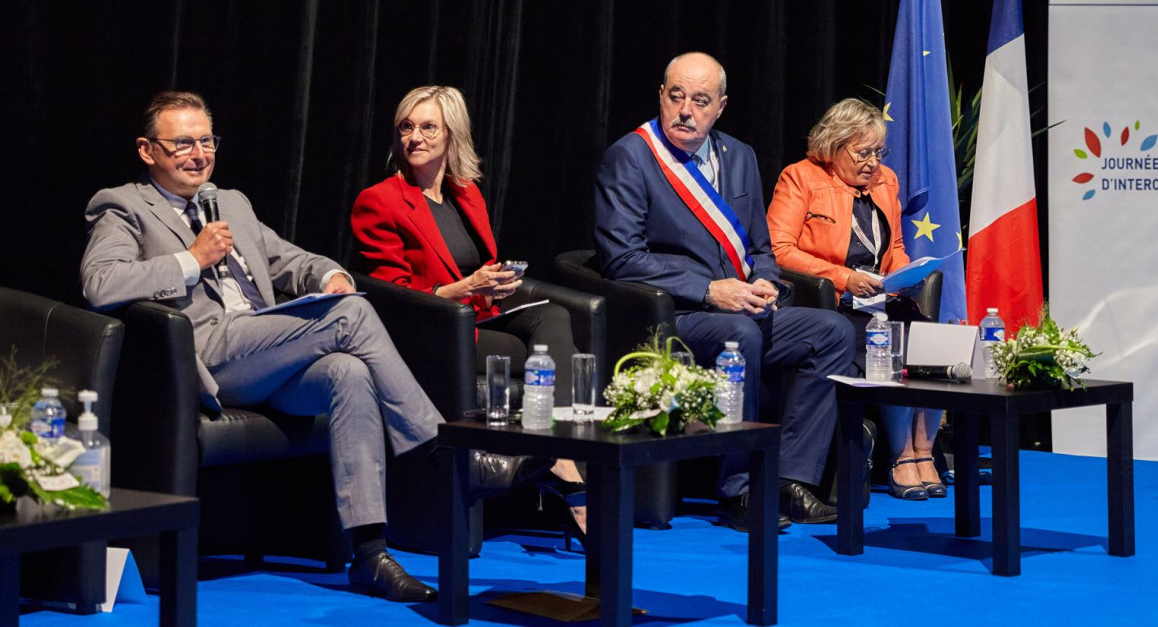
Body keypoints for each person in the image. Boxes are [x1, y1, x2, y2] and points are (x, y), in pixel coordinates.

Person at [81, 91, 539, 604]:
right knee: (353, 314)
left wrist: (332, 273)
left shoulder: (229, 201)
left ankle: (369, 554)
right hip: (205, 355)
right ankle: (450, 452)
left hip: (263, 350)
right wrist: (191, 259)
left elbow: (288, 259)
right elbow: (100, 284)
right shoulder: (122, 204)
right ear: (148, 151)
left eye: (207, 141)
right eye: (183, 143)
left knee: (348, 371)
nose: (199, 154)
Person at [594, 52, 855, 530]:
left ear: (720, 107)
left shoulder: (740, 156)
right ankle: (740, 491)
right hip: (675, 314)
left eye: (699, 100)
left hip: (742, 306)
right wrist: (711, 290)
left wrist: (765, 282)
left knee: (834, 331)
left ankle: (790, 479)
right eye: (676, 97)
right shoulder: (632, 156)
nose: (685, 110)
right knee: (742, 337)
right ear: (661, 96)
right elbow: (623, 258)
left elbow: (763, 247)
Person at [351, 85, 586, 540]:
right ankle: (562, 468)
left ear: (452, 135)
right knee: (538, 353)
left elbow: (477, 266)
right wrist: (463, 287)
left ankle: (559, 457)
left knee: (554, 319)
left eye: (427, 127)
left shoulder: (466, 192)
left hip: (474, 312)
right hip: (431, 329)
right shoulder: (379, 200)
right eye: (406, 127)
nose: (414, 137)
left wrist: (494, 283)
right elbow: (394, 295)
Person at [767, 97, 946, 500]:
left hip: (881, 298)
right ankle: (900, 458)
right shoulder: (800, 178)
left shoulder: (886, 182)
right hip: (832, 304)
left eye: (878, 152)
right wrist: (844, 277)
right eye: (863, 152)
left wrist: (903, 274)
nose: (873, 163)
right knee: (888, 345)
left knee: (934, 343)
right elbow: (779, 250)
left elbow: (895, 246)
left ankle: (925, 452)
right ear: (833, 146)